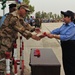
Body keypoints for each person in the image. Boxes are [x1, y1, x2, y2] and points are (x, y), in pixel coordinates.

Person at [0, 3, 40, 75]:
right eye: (25, 10)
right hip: (4, 40)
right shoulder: (14, 17)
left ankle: (7, 70)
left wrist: (33, 29)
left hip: (9, 40)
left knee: (8, 57)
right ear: (21, 9)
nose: (26, 12)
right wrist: (32, 36)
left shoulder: (19, 17)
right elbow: (21, 29)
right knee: (2, 58)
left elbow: (25, 24)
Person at [39, 10, 75, 75]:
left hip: (71, 49)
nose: (63, 18)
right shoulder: (64, 25)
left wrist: (53, 36)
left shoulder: (73, 27)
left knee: (71, 66)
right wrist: (46, 34)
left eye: (65, 16)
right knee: (66, 64)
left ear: (70, 17)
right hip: (65, 48)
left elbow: (66, 37)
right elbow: (57, 30)